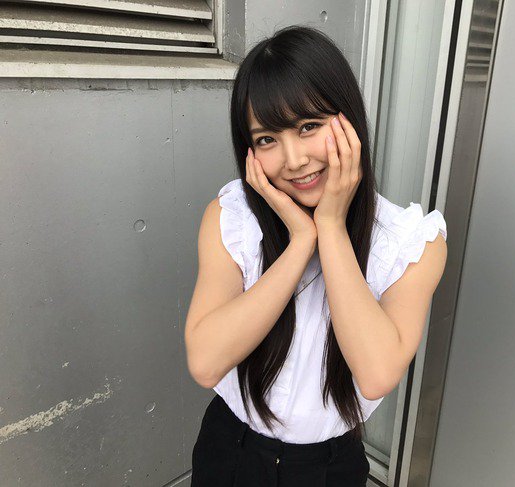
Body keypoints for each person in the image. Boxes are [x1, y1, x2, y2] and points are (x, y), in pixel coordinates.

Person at [184, 25, 448, 486]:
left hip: (329, 467)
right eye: (267, 139)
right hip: (231, 449)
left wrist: (331, 228)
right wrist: (300, 242)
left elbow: (376, 374)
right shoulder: (232, 219)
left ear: (349, 120)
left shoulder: (410, 244)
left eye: (308, 127)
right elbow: (205, 363)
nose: (294, 159)